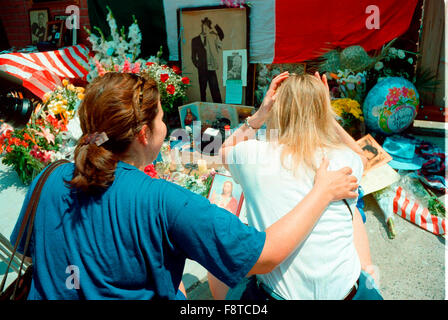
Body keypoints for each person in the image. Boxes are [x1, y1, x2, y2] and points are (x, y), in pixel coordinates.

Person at [9, 72, 358, 300]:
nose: (167, 124)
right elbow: (265, 256)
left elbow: (30, 250)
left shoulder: (50, 176)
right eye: (163, 117)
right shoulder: (167, 202)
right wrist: (322, 191)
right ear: (145, 133)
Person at [212, 72, 382, 300]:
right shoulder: (345, 160)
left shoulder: (252, 155)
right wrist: (328, 114)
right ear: (323, 111)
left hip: (279, 296)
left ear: (278, 109)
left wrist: (259, 115)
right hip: (349, 293)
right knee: (354, 215)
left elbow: (223, 150)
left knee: (215, 254)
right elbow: (362, 156)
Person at [191, 17, 224, 103]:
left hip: (211, 68)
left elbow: (221, 37)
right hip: (201, 69)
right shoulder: (194, 40)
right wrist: (198, 65)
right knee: (203, 92)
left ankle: (219, 109)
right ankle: (203, 110)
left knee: (215, 90)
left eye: (207, 26)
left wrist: (215, 26)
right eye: (204, 25)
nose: (205, 28)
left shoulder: (213, 38)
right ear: (201, 26)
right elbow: (193, 57)